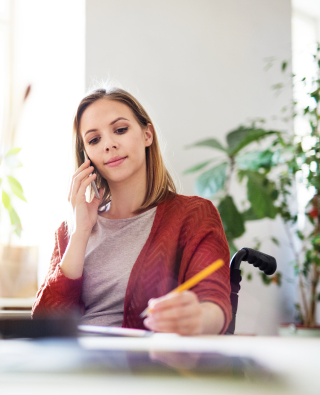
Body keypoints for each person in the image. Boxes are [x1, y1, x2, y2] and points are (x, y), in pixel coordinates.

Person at [31, 88, 231, 335]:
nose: (109, 144)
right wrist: (80, 233)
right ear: (87, 157)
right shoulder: (68, 231)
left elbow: (215, 304)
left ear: (147, 135)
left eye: (120, 130)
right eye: (94, 140)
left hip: (143, 367)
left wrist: (197, 319)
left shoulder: (193, 215)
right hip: (75, 365)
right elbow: (43, 327)